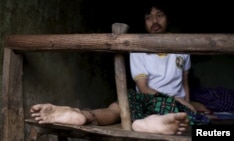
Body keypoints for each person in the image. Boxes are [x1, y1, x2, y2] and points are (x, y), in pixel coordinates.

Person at [30, 0, 210, 135]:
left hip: (171, 106)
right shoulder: (138, 49)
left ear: (168, 17)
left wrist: (187, 102)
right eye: (148, 17)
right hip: (146, 98)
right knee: (117, 109)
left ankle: (152, 122)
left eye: (159, 15)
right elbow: (144, 88)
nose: (154, 20)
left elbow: (185, 83)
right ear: (144, 22)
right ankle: (79, 114)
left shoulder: (182, 48)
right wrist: (183, 102)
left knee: (190, 117)